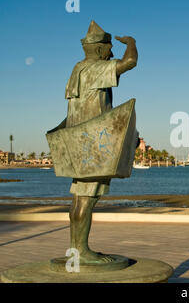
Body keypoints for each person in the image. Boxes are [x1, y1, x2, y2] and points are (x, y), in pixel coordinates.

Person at [64, 20, 138, 263]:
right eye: (108, 49)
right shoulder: (95, 68)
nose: (112, 53)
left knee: (79, 198)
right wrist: (132, 43)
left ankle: (76, 250)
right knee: (87, 198)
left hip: (77, 142)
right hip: (93, 144)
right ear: (97, 49)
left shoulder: (77, 69)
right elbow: (129, 63)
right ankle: (82, 252)